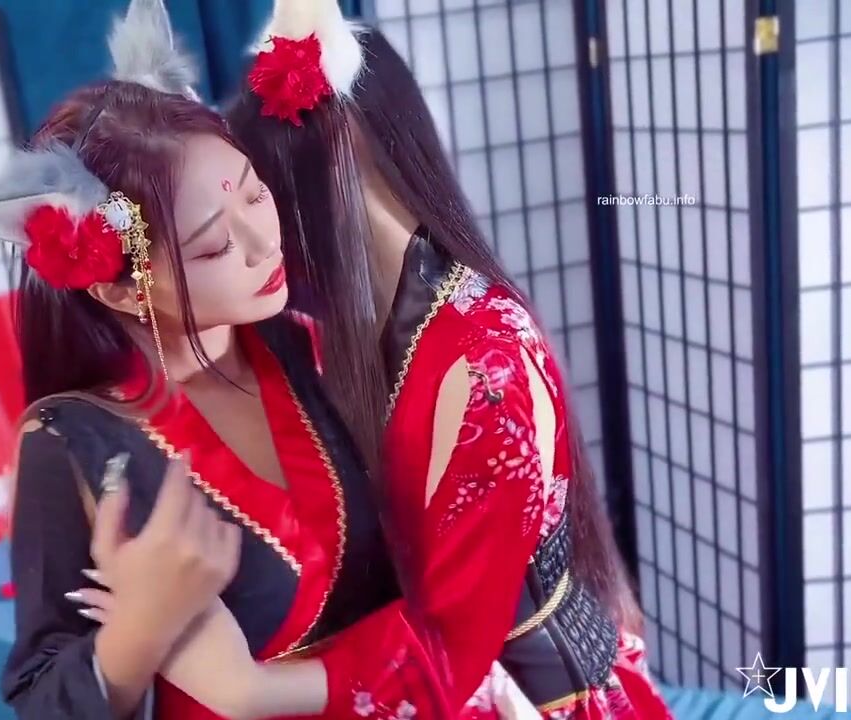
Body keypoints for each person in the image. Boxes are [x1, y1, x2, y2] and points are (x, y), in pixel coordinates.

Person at [0, 2, 495, 718]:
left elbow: (440, 585)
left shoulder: (300, 345)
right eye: (213, 245)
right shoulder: (71, 441)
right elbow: (42, 696)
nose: (265, 243)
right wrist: (136, 634)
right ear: (119, 285)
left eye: (255, 195)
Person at [207, 1, 675, 717]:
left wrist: (247, 689)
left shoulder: (485, 367)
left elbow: (452, 652)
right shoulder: (356, 332)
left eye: (262, 194)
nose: (260, 235)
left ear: (340, 152)